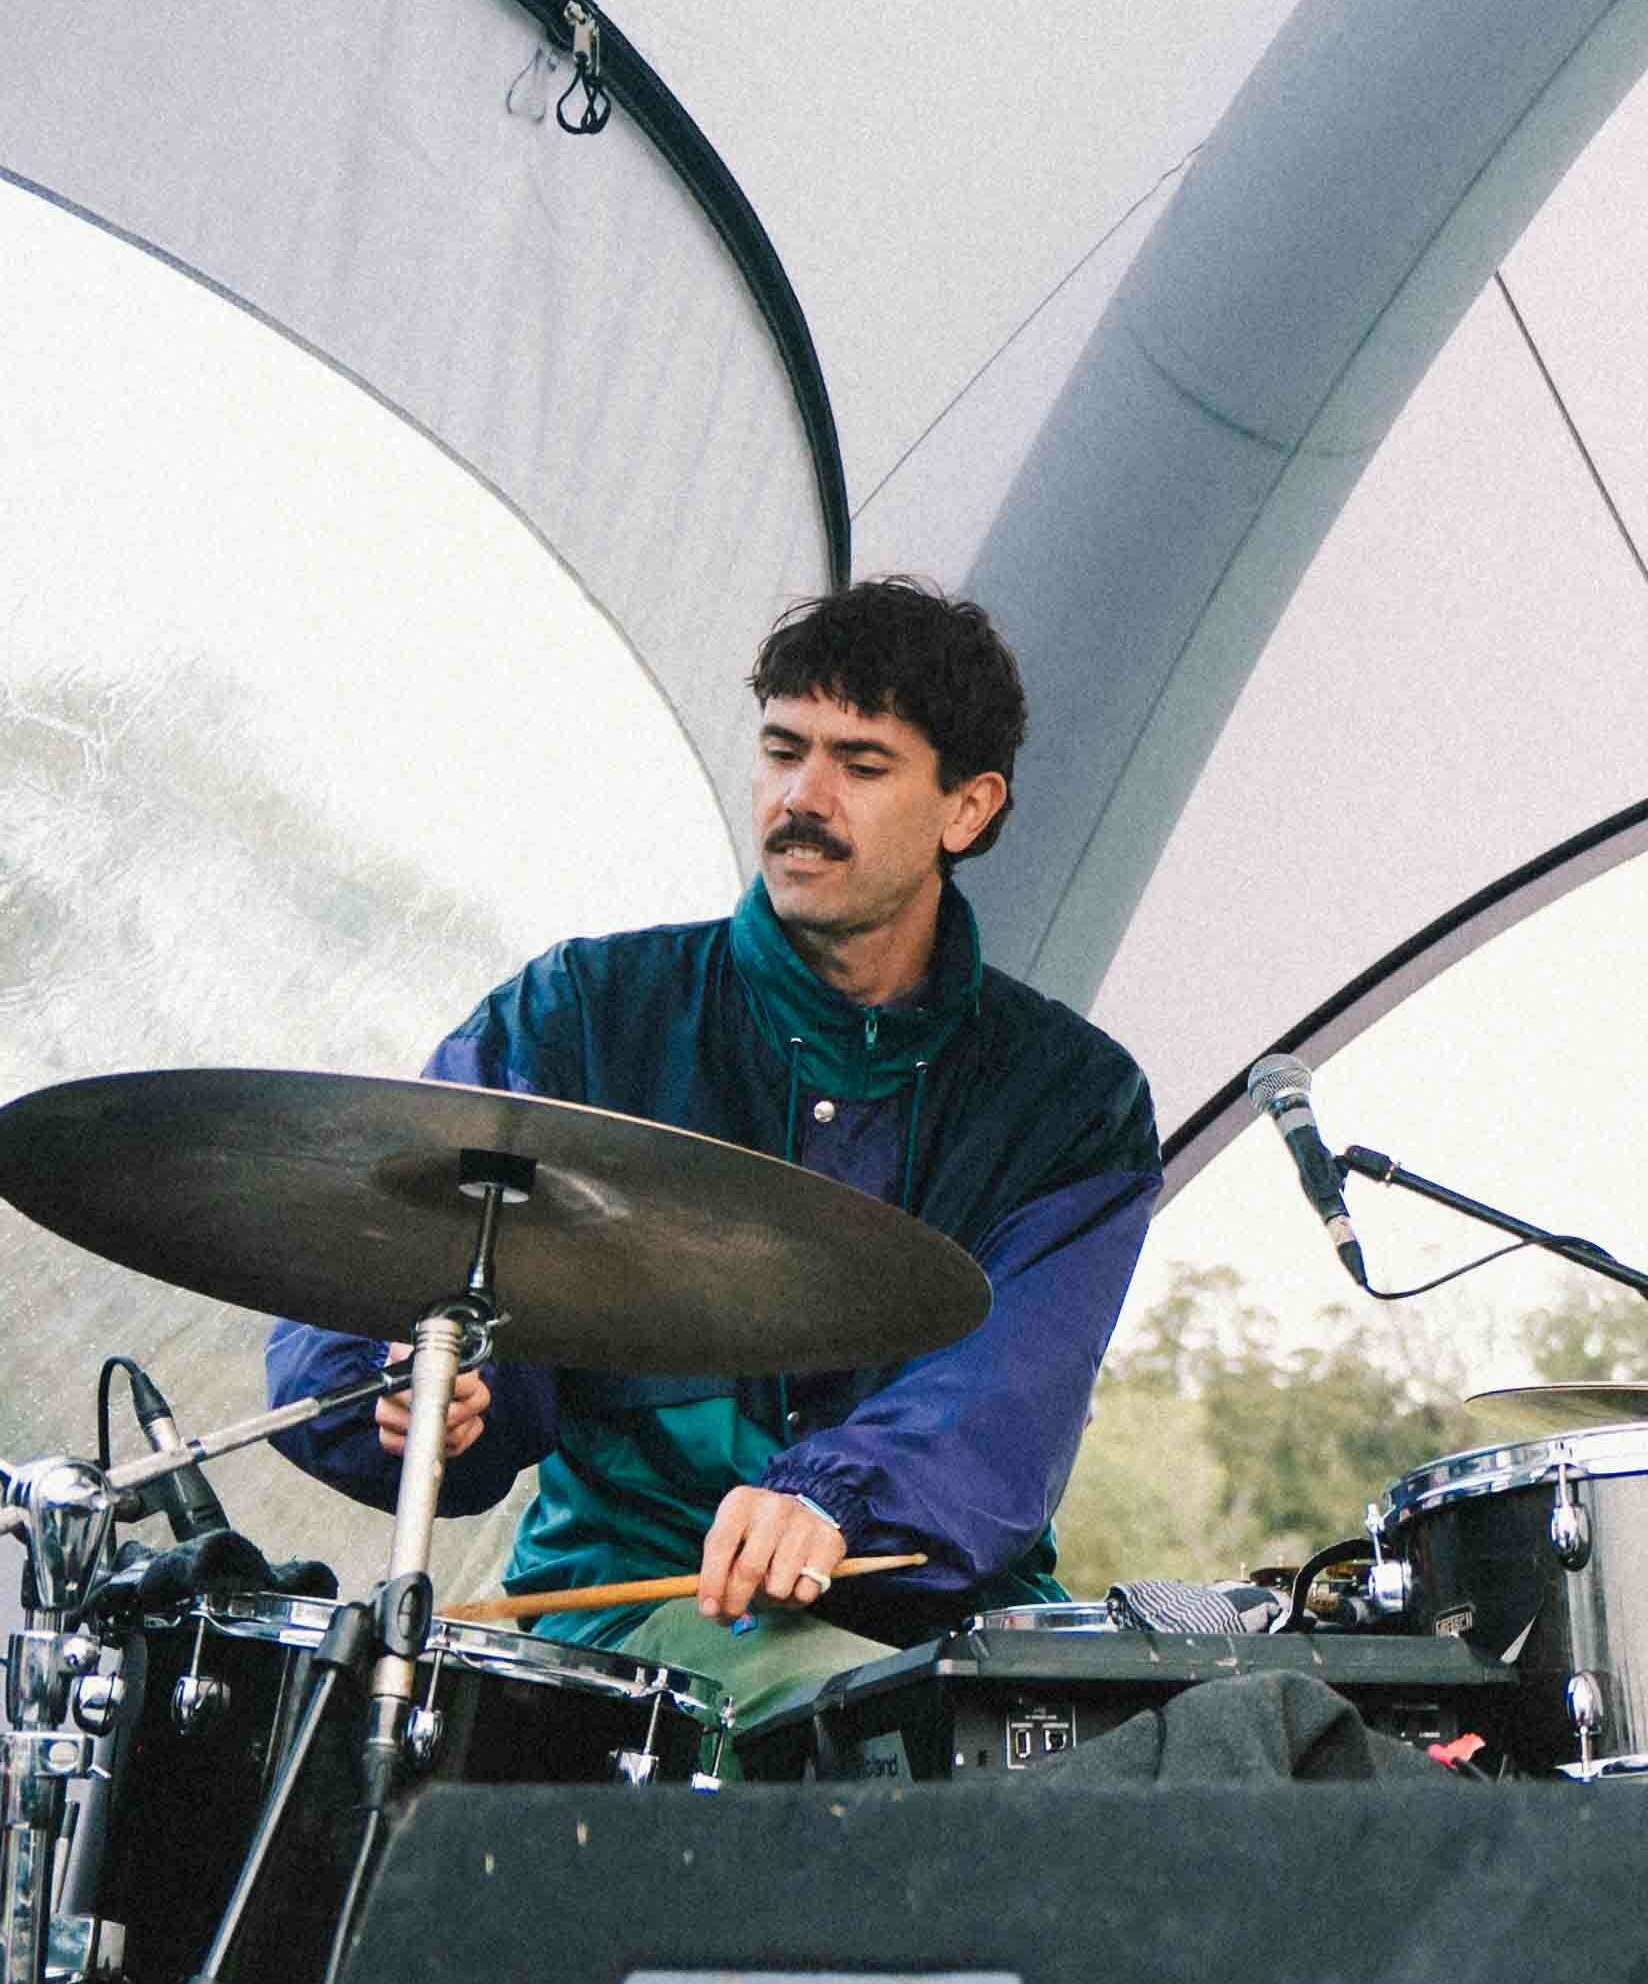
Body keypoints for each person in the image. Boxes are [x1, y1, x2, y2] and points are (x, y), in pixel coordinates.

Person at [271, 580, 1158, 1739]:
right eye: (783, 749)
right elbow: (382, 1271)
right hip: (627, 1631)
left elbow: (1009, 1400)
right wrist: (415, 1386)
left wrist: (833, 1499)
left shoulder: (1071, 1100)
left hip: (939, 1644)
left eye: (862, 763)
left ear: (968, 808)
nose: (803, 796)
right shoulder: (581, 1014)